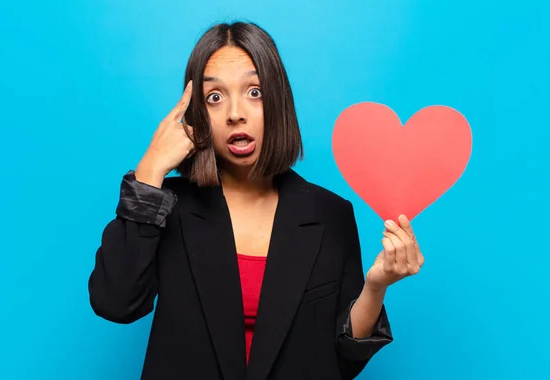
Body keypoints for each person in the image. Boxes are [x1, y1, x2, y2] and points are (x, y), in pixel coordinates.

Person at [88, 21, 424, 380]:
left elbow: (342, 357)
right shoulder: (166, 207)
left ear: (278, 100)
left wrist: (376, 286)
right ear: (197, 114)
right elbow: (115, 303)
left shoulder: (331, 215)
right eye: (214, 97)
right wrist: (150, 170)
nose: (236, 113)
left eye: (254, 92)